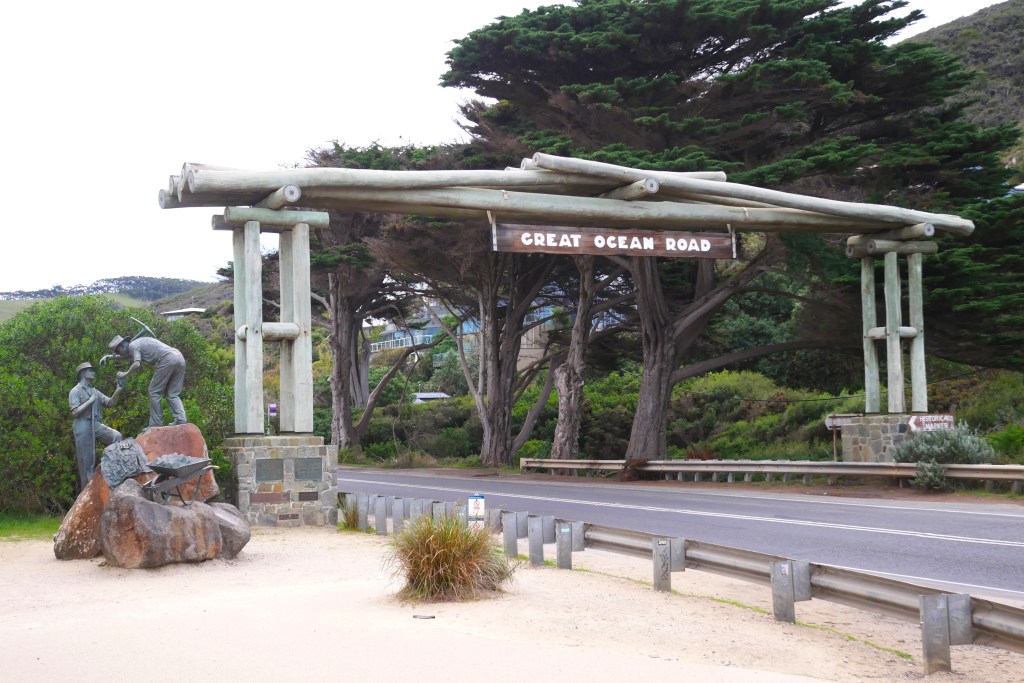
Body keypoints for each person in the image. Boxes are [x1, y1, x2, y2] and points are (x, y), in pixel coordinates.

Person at [101, 334, 187, 428]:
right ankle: (181, 419)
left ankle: (155, 424)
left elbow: (137, 364)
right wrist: (110, 357)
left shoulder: (133, 346)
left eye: (118, 352)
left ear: (121, 347)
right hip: (179, 357)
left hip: (167, 359)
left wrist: (125, 374)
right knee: (172, 393)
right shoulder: (136, 344)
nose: (119, 354)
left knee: (154, 392)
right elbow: (127, 356)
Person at [68, 362, 123, 491]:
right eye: (90, 370)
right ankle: (88, 492)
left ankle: (114, 471)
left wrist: (118, 390)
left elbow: (110, 403)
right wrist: (90, 401)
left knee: (116, 436)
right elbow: (75, 412)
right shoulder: (75, 391)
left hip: (95, 424)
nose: (93, 372)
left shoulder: (94, 391)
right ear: (83, 373)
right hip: (82, 424)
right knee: (87, 462)